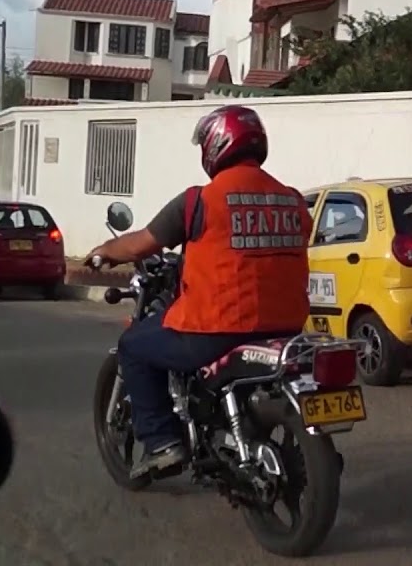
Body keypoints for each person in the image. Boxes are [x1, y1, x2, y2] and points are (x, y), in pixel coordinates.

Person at [85, 105, 313, 478]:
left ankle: (162, 442)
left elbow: (143, 243)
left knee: (134, 348)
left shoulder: (199, 201)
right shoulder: (292, 199)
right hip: (284, 328)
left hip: (217, 328)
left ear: (215, 144)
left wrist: (106, 252)